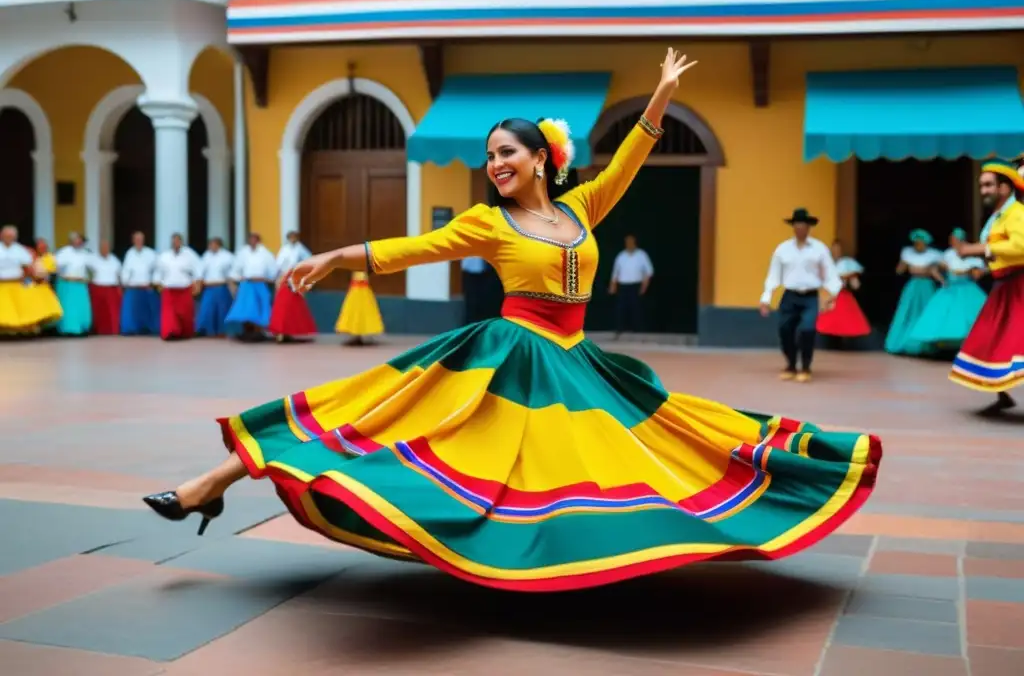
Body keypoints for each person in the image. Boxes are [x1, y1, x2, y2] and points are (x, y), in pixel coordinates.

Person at [143, 50, 881, 593]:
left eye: (506, 153)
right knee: (360, 411)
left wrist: (658, 97)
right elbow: (415, 247)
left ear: (540, 159)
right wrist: (338, 254)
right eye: (489, 154)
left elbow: (624, 166)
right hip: (506, 355)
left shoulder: (580, 208)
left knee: (651, 451)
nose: (494, 162)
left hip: (575, 360)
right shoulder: (486, 223)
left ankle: (575, 552)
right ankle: (208, 483)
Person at [950, 160, 1024, 414]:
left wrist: (976, 249)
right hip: (1003, 286)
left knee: (1016, 341)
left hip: (1019, 287)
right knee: (988, 338)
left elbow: (1021, 247)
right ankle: (1002, 395)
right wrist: (983, 266)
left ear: (1005, 187)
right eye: (982, 185)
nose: (983, 191)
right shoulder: (997, 217)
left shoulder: (1017, 213)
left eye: (988, 185)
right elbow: (997, 254)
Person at [760, 208, 841, 383]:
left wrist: (832, 294)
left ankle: (805, 366)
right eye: (797, 225)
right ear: (793, 227)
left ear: (808, 227)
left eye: (803, 225)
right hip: (790, 296)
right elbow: (773, 275)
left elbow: (830, 273)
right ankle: (790, 364)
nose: (800, 228)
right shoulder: (782, 249)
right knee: (784, 329)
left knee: (807, 329)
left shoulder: (819, 249)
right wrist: (766, 298)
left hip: (810, 296)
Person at [908, 229, 987, 352]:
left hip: (967, 288)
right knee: (943, 316)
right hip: (951, 289)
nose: (953, 242)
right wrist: (942, 280)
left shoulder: (971, 254)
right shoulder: (948, 254)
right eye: (952, 240)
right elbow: (934, 268)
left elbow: (978, 274)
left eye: (956, 240)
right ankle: (945, 346)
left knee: (969, 316)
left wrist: (970, 271)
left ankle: (971, 346)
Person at [884, 230, 943, 357]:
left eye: (921, 243)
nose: (918, 245)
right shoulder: (908, 253)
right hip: (913, 286)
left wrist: (941, 280)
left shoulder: (933, 255)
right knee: (908, 313)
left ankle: (926, 345)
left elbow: (935, 272)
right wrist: (904, 264)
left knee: (926, 313)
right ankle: (903, 343)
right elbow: (899, 271)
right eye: (916, 243)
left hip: (926, 286)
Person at [0, 225, 60, 337]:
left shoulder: (20, 250)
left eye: (11, 236)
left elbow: (28, 267)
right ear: (1, 236)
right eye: (6, 236)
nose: (9, 238)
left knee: (19, 312)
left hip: (16, 285)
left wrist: (30, 277)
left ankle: (17, 333)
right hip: (1, 286)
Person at [816, 239, 871, 343]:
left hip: (843, 294)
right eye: (834, 249)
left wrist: (851, 280)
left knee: (845, 321)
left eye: (838, 250)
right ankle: (832, 342)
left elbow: (856, 285)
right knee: (828, 321)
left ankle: (842, 342)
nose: (836, 252)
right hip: (829, 296)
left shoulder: (847, 264)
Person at [225, 233, 277, 341]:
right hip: (246, 284)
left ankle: (258, 332)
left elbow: (272, 270)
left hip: (260, 283)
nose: (252, 242)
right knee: (246, 308)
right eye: (250, 239)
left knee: (260, 307)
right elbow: (236, 268)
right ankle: (246, 332)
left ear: (258, 241)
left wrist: (268, 279)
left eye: (254, 240)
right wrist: (234, 281)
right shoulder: (243, 253)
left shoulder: (266, 253)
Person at [268, 230, 318, 343]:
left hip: (295, 276)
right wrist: (278, 279)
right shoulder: (284, 249)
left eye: (294, 237)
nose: (292, 239)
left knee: (292, 305)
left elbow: (309, 262)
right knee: (282, 305)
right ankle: (280, 331)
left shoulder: (301, 249)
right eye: (290, 237)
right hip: (284, 278)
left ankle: (289, 331)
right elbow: (278, 266)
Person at [155, 233, 201, 341]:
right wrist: (158, 284)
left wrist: (198, 285)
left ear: (181, 242)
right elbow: (158, 272)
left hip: (184, 288)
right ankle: (170, 333)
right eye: (173, 241)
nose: (175, 243)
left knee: (185, 314)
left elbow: (198, 270)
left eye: (177, 241)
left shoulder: (190, 254)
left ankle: (184, 333)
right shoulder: (164, 256)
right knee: (169, 314)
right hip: (169, 288)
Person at [609, 234, 653, 337]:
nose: (629, 244)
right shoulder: (621, 256)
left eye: (631, 242)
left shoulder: (642, 255)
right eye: (627, 242)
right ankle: (619, 329)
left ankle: (638, 330)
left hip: (636, 285)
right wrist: (613, 286)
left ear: (634, 242)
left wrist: (644, 287)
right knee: (621, 308)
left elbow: (649, 272)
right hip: (623, 286)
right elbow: (615, 273)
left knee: (636, 308)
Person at [120, 232, 161, 336]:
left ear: (143, 240)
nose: (139, 241)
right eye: (136, 239)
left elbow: (157, 268)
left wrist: (154, 281)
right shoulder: (129, 253)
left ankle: (149, 329)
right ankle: (131, 330)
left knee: (150, 310)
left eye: (141, 239)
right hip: (132, 286)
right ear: (133, 240)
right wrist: (124, 282)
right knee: (131, 311)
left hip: (146, 286)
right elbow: (125, 269)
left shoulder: (151, 253)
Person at [53, 232, 93, 336]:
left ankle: (81, 328)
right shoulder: (64, 252)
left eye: (81, 240)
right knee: (69, 308)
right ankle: (68, 329)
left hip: (80, 284)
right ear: (72, 241)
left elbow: (92, 267)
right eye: (76, 239)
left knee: (81, 308)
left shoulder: (86, 253)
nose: (78, 242)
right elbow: (55, 265)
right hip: (68, 284)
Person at [195, 237, 235, 337]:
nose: (211, 246)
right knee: (206, 309)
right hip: (208, 287)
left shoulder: (227, 256)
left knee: (223, 310)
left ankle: (223, 331)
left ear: (218, 245)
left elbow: (232, 272)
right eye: (210, 244)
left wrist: (232, 285)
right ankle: (206, 330)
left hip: (221, 286)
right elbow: (200, 271)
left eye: (213, 244)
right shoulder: (206, 256)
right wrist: (198, 284)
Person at [334, 271, 384, 345]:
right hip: (356, 295)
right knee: (355, 315)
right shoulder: (356, 272)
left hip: (363, 296)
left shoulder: (365, 271)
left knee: (363, 314)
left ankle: (360, 336)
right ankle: (356, 336)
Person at [88, 240, 122, 336]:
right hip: (97, 288)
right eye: (102, 247)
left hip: (112, 288)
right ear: (99, 248)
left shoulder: (115, 260)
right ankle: (98, 331)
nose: (104, 249)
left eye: (106, 247)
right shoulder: (92, 259)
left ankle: (113, 331)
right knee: (98, 311)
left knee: (112, 311)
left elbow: (119, 275)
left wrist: (120, 289)